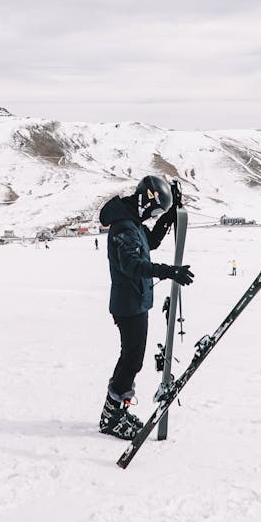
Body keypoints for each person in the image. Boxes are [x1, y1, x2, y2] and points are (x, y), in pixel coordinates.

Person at [98, 175, 194, 439]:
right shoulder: (123, 228)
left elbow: (149, 243)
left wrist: (169, 214)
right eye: (155, 210)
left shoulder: (133, 221)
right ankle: (112, 416)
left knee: (132, 358)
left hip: (136, 301)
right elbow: (132, 266)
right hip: (128, 305)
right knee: (131, 359)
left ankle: (114, 410)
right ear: (144, 202)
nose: (154, 215)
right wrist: (169, 271)